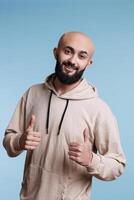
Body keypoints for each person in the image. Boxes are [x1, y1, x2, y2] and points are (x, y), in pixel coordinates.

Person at [3, 31, 126, 200]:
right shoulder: (33, 93)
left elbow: (117, 166)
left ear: (88, 63)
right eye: (68, 51)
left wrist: (91, 159)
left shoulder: (99, 109)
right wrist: (19, 141)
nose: (73, 61)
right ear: (56, 52)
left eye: (82, 56)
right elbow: (9, 139)